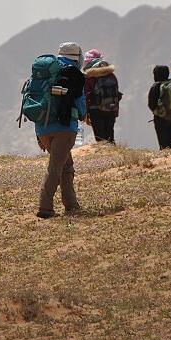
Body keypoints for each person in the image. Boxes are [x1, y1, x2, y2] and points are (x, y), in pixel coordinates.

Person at [36, 42, 87, 219]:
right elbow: (81, 107)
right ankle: (45, 207)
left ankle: (71, 205)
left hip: (42, 129)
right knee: (56, 167)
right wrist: (83, 114)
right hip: (64, 130)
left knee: (66, 166)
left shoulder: (46, 72)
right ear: (76, 56)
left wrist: (38, 134)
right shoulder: (75, 74)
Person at [83, 49, 121, 143]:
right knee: (110, 137)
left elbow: (87, 96)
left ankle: (106, 156)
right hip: (111, 109)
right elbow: (116, 94)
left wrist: (86, 115)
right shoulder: (111, 74)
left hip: (95, 111)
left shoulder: (90, 76)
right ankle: (114, 155)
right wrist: (115, 112)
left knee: (100, 139)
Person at [148, 65, 171, 149]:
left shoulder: (156, 86)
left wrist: (157, 112)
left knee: (164, 145)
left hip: (161, 119)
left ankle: (166, 160)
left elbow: (151, 104)